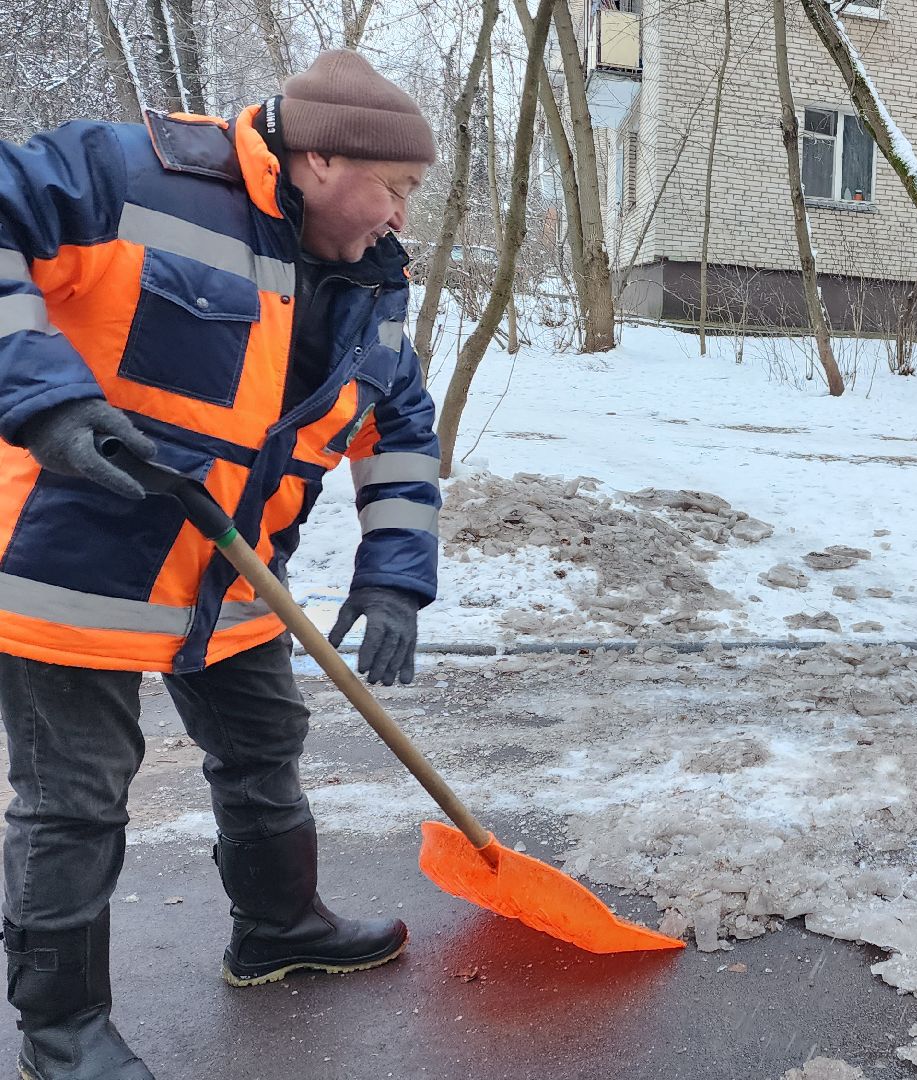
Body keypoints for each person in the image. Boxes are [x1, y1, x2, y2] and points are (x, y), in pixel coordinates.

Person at [0, 50, 442, 1077]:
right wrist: (43, 395)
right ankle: (61, 1040)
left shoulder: (372, 288)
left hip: (231, 577)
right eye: (398, 189)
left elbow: (402, 426)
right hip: (77, 564)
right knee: (74, 804)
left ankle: (277, 929)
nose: (402, 218)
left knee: (263, 749)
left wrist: (393, 575)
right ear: (323, 160)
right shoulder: (135, 176)